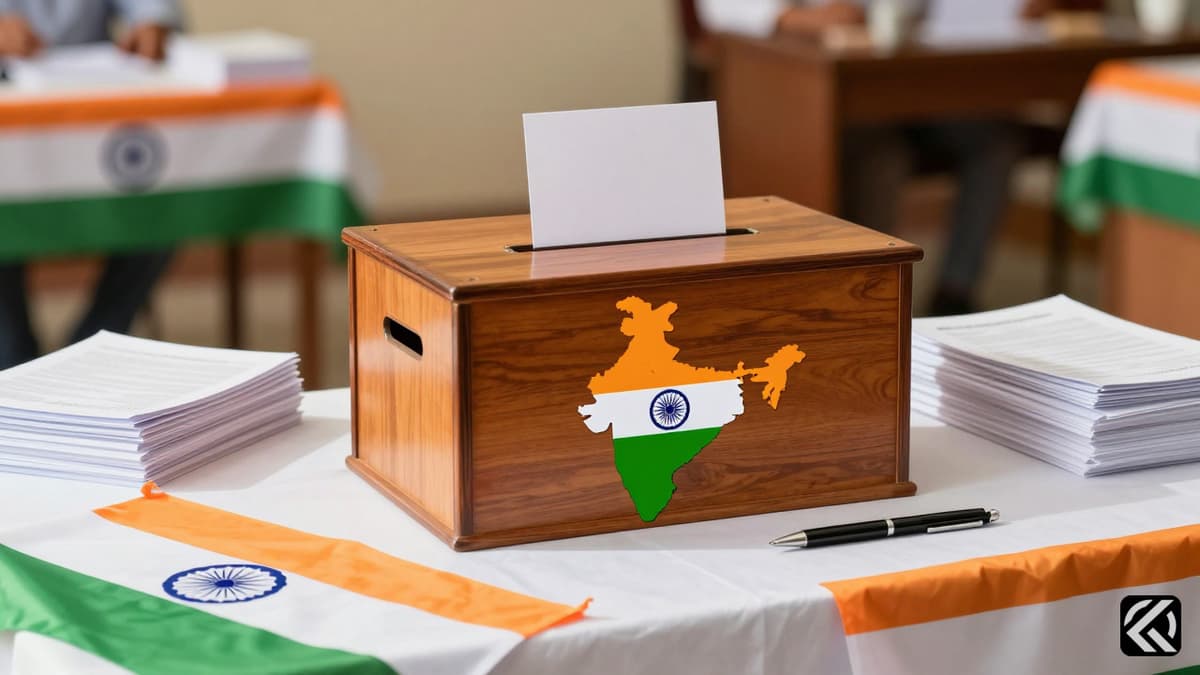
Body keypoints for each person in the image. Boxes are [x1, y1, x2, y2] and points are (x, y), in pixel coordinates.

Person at [696, 0, 1070, 315]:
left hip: (911, 74)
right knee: (883, 157)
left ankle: (954, 294)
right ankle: (871, 297)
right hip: (808, 85)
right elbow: (724, 10)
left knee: (995, 140)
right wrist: (801, 19)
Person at [0, 0, 183, 370]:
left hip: (94, 114)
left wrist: (153, 24)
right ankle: (14, 355)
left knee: (168, 196)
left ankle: (94, 347)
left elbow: (153, 9)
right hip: (9, 122)